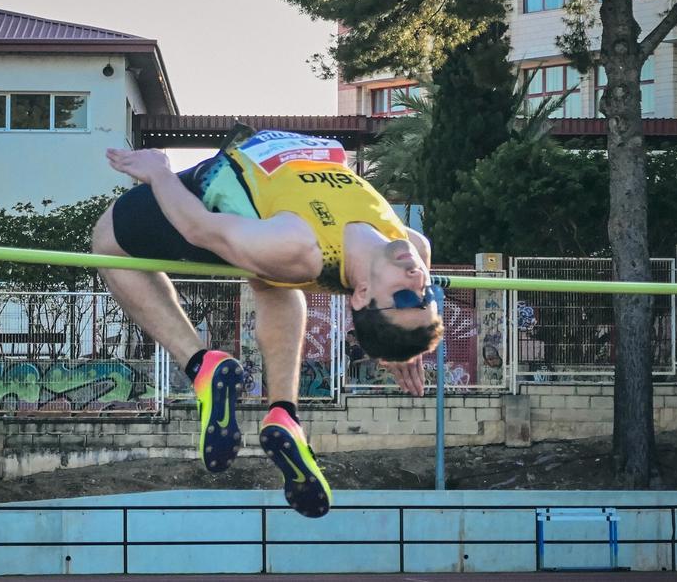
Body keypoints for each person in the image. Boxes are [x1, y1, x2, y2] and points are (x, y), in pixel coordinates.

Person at [92, 127, 443, 518]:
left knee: (107, 243)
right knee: (272, 279)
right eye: (426, 298)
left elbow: (198, 227)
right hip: (275, 216)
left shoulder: (294, 245)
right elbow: (412, 291)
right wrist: (404, 343)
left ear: (361, 295)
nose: (418, 283)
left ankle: (201, 365)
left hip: (219, 199)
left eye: (406, 299)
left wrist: (160, 172)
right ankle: (284, 414)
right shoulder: (415, 248)